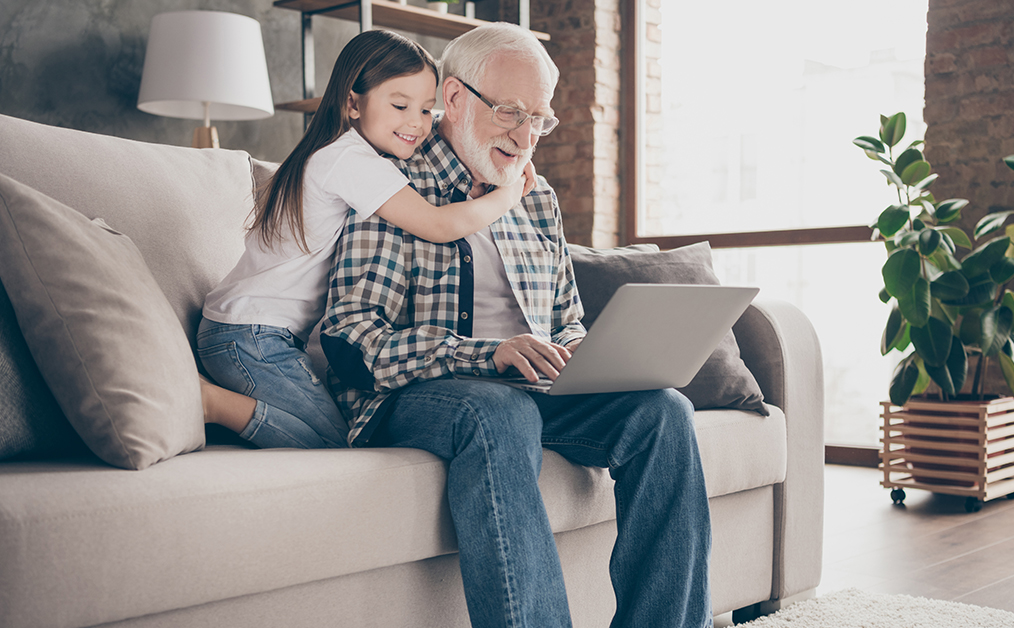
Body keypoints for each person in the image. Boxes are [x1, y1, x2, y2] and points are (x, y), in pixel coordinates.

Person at [320, 23, 712, 628]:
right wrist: (487, 354)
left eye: (540, 119)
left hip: (532, 389)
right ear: (454, 98)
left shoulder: (537, 196)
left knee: (663, 412)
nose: (526, 136)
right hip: (419, 395)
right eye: (510, 112)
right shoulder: (393, 181)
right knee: (498, 411)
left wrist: (587, 354)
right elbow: (353, 337)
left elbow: (566, 319)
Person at [197, 29, 534, 450]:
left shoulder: (339, 152)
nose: (417, 123)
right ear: (353, 103)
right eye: (400, 105)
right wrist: (508, 193)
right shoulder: (349, 159)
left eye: (425, 109)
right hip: (249, 334)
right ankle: (209, 403)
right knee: (330, 447)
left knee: (330, 435)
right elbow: (439, 225)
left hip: (250, 330)